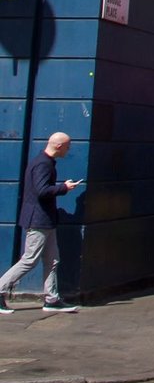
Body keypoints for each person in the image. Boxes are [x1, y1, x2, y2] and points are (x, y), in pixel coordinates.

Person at [0, 132, 83, 313]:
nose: (68, 150)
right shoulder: (43, 164)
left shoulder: (43, 162)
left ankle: (51, 299)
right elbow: (41, 191)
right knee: (29, 260)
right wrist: (64, 188)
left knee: (52, 260)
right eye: (68, 147)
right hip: (39, 219)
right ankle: (1, 288)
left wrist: (61, 186)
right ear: (59, 146)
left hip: (46, 220)